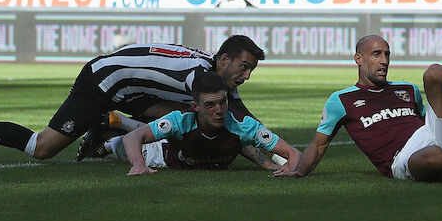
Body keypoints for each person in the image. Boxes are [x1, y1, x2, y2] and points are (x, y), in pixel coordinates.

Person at [274, 35, 442, 185]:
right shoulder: (341, 100)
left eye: (387, 54)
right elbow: (319, 146)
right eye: (376, 54)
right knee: (433, 158)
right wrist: (300, 170)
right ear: (359, 59)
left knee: (433, 75)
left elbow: (425, 118)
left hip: (430, 132)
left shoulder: (406, 89)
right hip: (402, 160)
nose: (384, 61)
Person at [0, 36, 267, 163]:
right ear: (225, 59)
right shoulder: (201, 76)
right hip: (102, 81)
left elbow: (244, 117)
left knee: (185, 116)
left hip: (133, 90)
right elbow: (231, 121)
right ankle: (108, 124)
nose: (247, 75)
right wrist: (280, 157)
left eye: (251, 69)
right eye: (244, 67)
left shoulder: (216, 71)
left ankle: (109, 127)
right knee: (41, 148)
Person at [97, 72, 300, 175]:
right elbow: (134, 138)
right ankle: (108, 142)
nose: (219, 110)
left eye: (223, 102)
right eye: (210, 105)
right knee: (125, 148)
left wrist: (289, 167)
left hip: (205, 155)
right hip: (162, 156)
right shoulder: (181, 120)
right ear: (195, 106)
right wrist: (139, 165)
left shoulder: (244, 125)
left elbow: (294, 154)